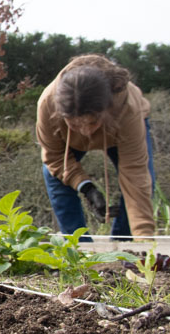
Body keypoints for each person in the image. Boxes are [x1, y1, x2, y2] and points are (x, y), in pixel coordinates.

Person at [36, 54, 155, 241]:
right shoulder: (47, 105)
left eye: (91, 123)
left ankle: (125, 245)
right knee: (52, 174)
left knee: (142, 181)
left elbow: (135, 174)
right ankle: (78, 249)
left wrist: (145, 240)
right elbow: (54, 157)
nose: (85, 132)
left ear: (106, 109)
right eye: (75, 125)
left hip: (118, 129)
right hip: (68, 140)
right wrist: (87, 188)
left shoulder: (128, 108)